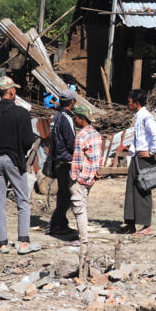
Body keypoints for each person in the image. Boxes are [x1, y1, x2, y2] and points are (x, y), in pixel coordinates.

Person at [0, 76, 40, 254]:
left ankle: (2, 244)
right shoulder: (21, 113)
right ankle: (23, 243)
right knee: (22, 200)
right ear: (11, 91)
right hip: (14, 159)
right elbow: (28, 140)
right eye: (15, 90)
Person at [123, 88, 156, 236]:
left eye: (130, 102)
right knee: (131, 190)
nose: (128, 105)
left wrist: (151, 152)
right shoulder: (139, 116)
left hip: (144, 158)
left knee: (143, 189)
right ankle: (130, 224)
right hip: (136, 157)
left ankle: (146, 226)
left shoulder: (146, 117)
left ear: (137, 103)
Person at [68, 104, 103, 246]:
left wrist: (74, 177)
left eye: (76, 118)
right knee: (83, 204)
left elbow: (77, 159)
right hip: (91, 176)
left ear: (82, 119)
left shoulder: (81, 136)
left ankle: (83, 239)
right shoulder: (96, 134)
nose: (75, 120)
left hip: (82, 177)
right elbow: (99, 156)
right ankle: (83, 237)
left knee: (79, 208)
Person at [47, 89, 77, 237]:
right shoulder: (66, 118)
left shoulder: (56, 117)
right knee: (66, 195)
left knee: (62, 194)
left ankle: (60, 223)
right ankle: (57, 225)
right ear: (72, 102)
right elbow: (71, 141)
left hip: (57, 159)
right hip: (65, 161)